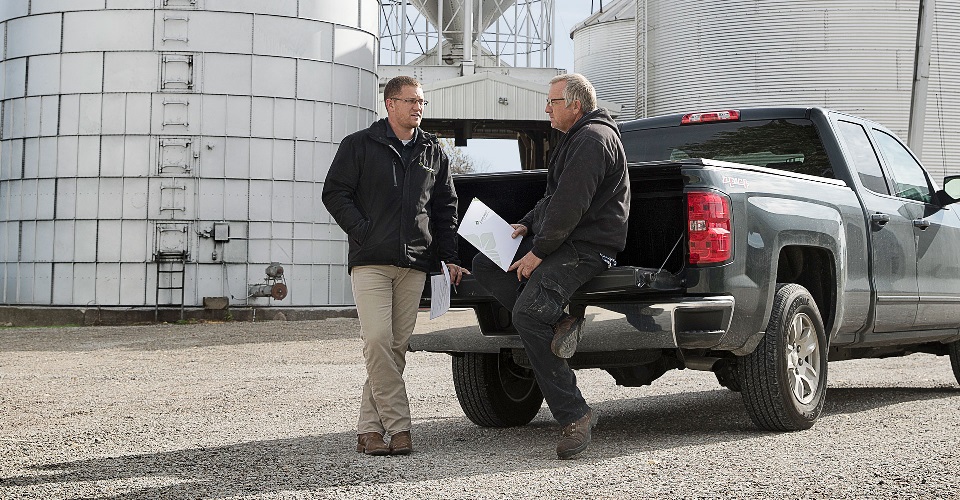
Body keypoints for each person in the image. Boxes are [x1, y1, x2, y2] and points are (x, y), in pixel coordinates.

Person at [471, 73, 630, 459]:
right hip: (564, 239)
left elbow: (569, 206)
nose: (546, 109)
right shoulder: (577, 139)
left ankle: (575, 414)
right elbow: (551, 200)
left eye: (552, 102)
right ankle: (559, 320)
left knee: (527, 316)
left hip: (589, 246)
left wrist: (537, 251)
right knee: (485, 262)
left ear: (575, 105)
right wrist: (525, 223)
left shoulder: (593, 139)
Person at [322, 75, 467, 456]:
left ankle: (370, 431)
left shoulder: (433, 151)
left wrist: (448, 256)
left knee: (396, 347)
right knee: (376, 341)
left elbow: (445, 209)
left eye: (422, 101)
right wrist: (362, 230)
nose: (418, 107)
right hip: (370, 261)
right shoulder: (359, 145)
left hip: (415, 263)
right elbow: (334, 192)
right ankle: (399, 428)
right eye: (411, 101)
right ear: (390, 104)